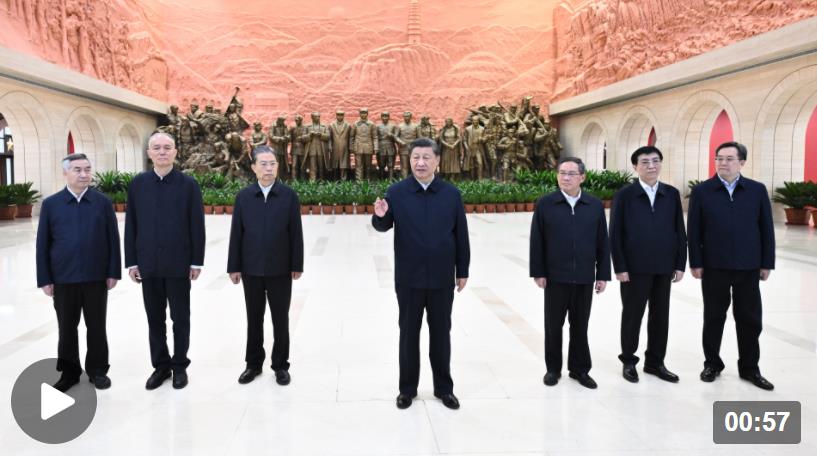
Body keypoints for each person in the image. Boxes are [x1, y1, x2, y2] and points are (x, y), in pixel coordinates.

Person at [372, 137, 470, 410]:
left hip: (441, 278)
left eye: (426, 157)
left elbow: (461, 235)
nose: (420, 163)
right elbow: (383, 226)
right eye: (416, 157)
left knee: (441, 334)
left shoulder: (451, 194)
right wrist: (380, 215)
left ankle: (444, 389)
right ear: (409, 160)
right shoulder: (397, 192)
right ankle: (407, 390)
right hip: (409, 278)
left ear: (437, 161)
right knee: (408, 334)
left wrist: (462, 269)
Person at [687, 141, 775, 390]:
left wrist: (766, 262)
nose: (722, 163)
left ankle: (750, 368)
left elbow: (766, 229)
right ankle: (712, 364)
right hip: (714, 265)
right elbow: (694, 230)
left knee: (749, 319)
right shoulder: (703, 191)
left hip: (749, 266)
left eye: (729, 159)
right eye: (719, 158)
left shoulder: (756, 190)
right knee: (713, 316)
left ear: (742, 163)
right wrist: (696, 261)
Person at [125, 132, 206, 391]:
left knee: (180, 318)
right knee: (155, 319)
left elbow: (197, 225)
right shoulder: (138, 185)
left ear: (175, 152)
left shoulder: (188, 185)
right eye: (157, 148)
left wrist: (196, 262)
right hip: (148, 264)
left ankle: (180, 365)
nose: (162, 152)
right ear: (149, 153)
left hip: (178, 264)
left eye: (167, 147)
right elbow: (131, 225)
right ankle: (160, 366)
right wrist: (132, 262)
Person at [36, 153, 121, 392]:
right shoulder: (51, 204)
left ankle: (98, 370)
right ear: (65, 172)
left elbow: (113, 240)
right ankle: (69, 373)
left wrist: (113, 271)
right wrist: (45, 278)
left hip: (96, 277)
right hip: (63, 278)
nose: (84, 174)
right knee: (66, 328)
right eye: (77, 170)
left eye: (87, 169)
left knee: (97, 326)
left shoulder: (102, 202)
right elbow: (43, 244)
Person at [530, 157, 610, 389]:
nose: (565, 178)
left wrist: (602, 274)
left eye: (571, 174)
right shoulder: (546, 204)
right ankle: (553, 369)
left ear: (582, 177)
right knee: (553, 326)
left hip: (584, 277)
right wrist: (538, 272)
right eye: (562, 173)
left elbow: (602, 242)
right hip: (555, 277)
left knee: (580, 326)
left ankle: (579, 369)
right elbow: (537, 241)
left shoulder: (594, 205)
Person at [227, 145, 304, 386]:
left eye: (272, 164)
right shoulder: (244, 197)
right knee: (254, 318)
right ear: (253, 168)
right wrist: (234, 266)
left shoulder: (289, 196)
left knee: (280, 319)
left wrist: (297, 264)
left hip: (280, 268)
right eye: (263, 164)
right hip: (251, 268)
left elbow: (296, 233)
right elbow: (236, 234)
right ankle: (253, 364)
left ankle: (280, 365)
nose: (268, 168)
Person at [609, 146, 686, 384]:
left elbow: (679, 230)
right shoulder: (625, 195)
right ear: (635, 166)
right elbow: (615, 233)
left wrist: (680, 263)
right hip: (634, 268)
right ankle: (629, 361)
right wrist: (620, 267)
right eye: (645, 162)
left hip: (664, 266)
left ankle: (655, 362)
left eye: (655, 161)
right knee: (633, 316)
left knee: (660, 316)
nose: (651, 166)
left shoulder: (671, 193)